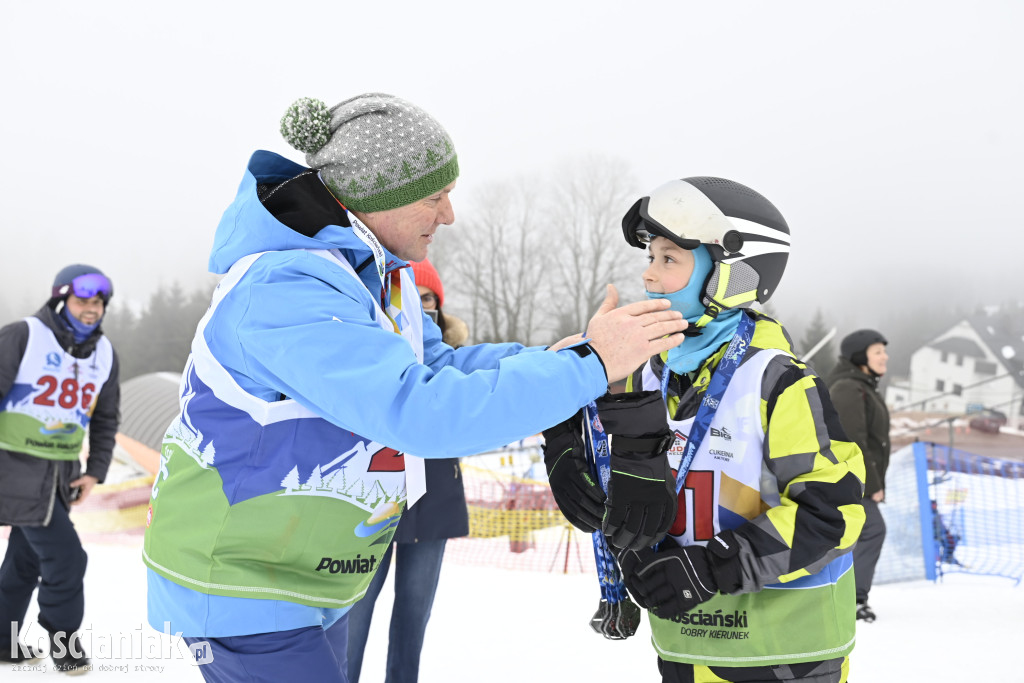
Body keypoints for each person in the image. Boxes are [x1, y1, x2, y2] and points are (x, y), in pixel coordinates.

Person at [141, 93, 688, 682]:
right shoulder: (285, 287)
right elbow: (418, 410)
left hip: (299, 575)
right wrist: (590, 365)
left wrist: (565, 357)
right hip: (240, 583)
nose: (449, 215)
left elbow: (444, 366)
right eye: (435, 196)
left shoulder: (374, 277)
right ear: (380, 196)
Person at [543, 177, 866, 683]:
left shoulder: (778, 382)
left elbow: (835, 515)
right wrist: (564, 445)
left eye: (669, 260)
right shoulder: (645, 375)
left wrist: (713, 567)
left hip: (788, 656)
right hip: (687, 651)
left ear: (731, 275)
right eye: (649, 258)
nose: (649, 276)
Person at [346, 258, 470, 683]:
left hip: (434, 501)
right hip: (374, 500)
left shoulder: (450, 358)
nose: (420, 304)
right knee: (353, 614)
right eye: (411, 298)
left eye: (427, 298)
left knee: (413, 615)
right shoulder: (373, 350)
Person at [0, 265, 120, 672]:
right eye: (83, 300)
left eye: (99, 302)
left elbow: (106, 418)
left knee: (25, 560)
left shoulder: (104, 354)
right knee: (67, 558)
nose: (93, 309)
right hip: (14, 470)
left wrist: (94, 469)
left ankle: (2, 640)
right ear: (60, 300)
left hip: (60, 475)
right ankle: (64, 644)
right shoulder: (23, 336)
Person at [828, 329, 890, 623]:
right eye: (877, 351)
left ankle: (841, 595)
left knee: (855, 534)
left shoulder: (862, 386)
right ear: (859, 356)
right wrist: (872, 485)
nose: (884, 356)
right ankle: (852, 598)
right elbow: (853, 440)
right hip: (850, 480)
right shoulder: (849, 388)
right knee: (871, 530)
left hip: (855, 481)